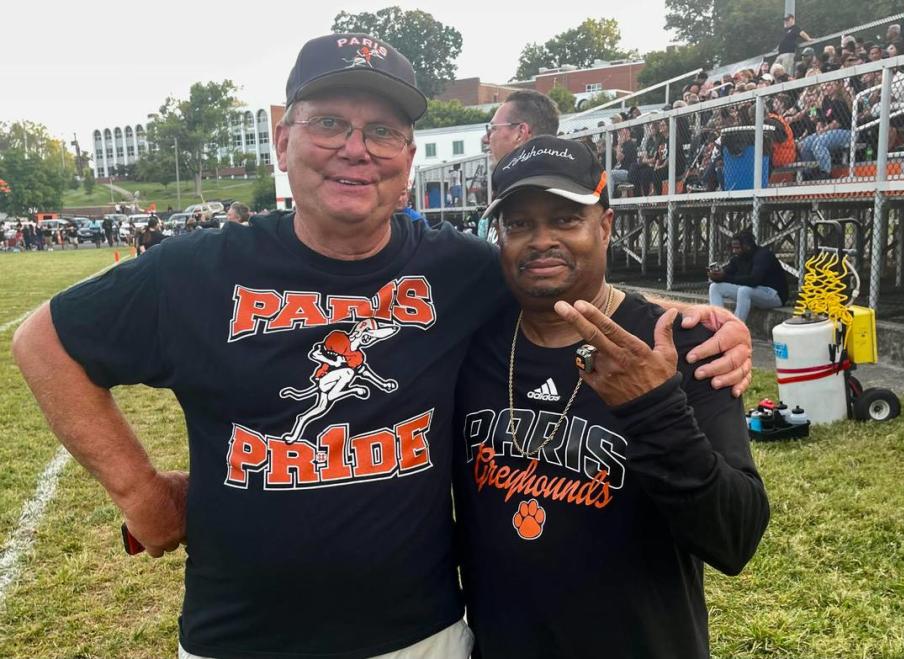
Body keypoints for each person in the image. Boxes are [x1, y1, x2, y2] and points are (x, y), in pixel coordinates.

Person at [12, 33, 753, 659]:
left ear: (406, 152)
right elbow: (44, 341)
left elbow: (562, 274)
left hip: (418, 636)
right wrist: (142, 495)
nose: (355, 150)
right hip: (238, 636)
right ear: (283, 138)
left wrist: (702, 320)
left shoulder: (459, 271)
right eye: (328, 123)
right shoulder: (196, 269)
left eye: (383, 132)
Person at [454, 137, 769, 658]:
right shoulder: (472, 344)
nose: (540, 240)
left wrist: (654, 408)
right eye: (519, 224)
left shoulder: (679, 346)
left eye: (564, 219)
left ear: (605, 225)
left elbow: (735, 540)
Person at [708, 230, 789, 322]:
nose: (734, 251)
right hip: (754, 292)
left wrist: (725, 277)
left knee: (744, 290)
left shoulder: (763, 255)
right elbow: (727, 274)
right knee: (715, 287)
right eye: (733, 248)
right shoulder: (737, 259)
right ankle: (718, 323)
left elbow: (754, 280)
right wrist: (716, 277)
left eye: (737, 248)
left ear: (747, 246)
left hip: (774, 295)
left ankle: (735, 328)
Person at [482, 89, 559, 165]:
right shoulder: (566, 172)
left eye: (493, 128)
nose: (485, 139)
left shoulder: (521, 177)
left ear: (520, 134)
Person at [797, 80, 853, 179]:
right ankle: (809, 173)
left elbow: (837, 123)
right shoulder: (826, 101)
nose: (825, 88)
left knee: (819, 143)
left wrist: (824, 130)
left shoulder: (841, 101)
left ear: (837, 86)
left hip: (846, 132)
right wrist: (819, 123)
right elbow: (822, 118)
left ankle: (825, 172)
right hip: (829, 131)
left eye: (829, 85)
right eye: (825, 85)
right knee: (804, 145)